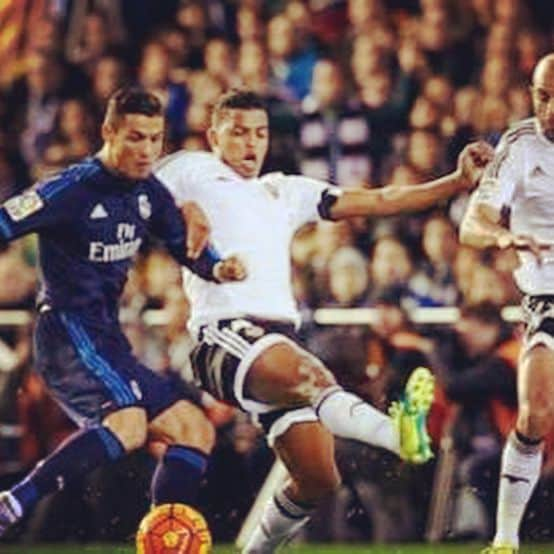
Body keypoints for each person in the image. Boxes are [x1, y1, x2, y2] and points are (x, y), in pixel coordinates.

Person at [155, 89, 492, 553]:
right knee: (312, 375)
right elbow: (127, 187)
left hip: (278, 342)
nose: (251, 144)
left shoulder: (285, 190)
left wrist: (454, 183)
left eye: (260, 133)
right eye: (238, 134)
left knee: (318, 477)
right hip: (223, 335)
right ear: (213, 136)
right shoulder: (190, 170)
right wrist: (180, 211)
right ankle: (399, 436)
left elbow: (379, 199)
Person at [0, 87, 245, 537]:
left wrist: (218, 266)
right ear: (108, 132)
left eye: (155, 139)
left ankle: (163, 542)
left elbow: (182, 245)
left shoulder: (148, 192)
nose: (147, 150)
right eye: (135, 138)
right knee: (129, 425)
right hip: (67, 332)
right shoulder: (68, 189)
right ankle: (12, 504)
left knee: (194, 430)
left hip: (107, 338)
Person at [460, 52, 554, 554]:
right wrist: (503, 238)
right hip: (548, 294)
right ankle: (504, 540)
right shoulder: (520, 143)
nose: (551, 108)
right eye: (543, 95)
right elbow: (471, 223)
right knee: (535, 412)